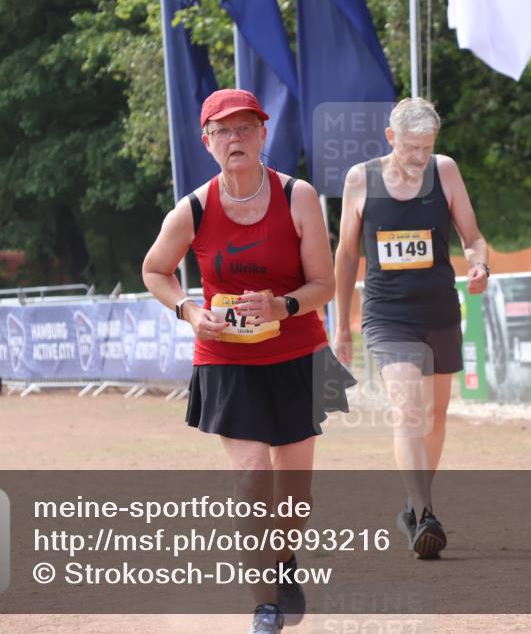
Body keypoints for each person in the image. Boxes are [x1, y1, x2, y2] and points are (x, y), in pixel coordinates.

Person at [142, 88, 354, 633]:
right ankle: (263, 605)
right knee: (252, 476)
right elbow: (154, 271)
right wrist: (189, 310)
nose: (235, 139)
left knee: (296, 495)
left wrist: (281, 306)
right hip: (225, 360)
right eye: (223, 131)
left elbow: (324, 284)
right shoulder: (193, 208)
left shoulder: (297, 196)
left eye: (245, 128)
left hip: (296, 353)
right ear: (207, 142)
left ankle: (282, 560)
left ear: (263, 135)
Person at [333, 97, 489, 559]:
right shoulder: (361, 179)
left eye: (427, 147)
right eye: (411, 147)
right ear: (390, 138)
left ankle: (413, 505)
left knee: (436, 415)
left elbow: (473, 237)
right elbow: (346, 256)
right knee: (408, 409)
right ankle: (424, 516)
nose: (420, 157)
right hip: (386, 313)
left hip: (439, 309)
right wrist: (341, 325)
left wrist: (480, 265)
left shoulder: (445, 172)